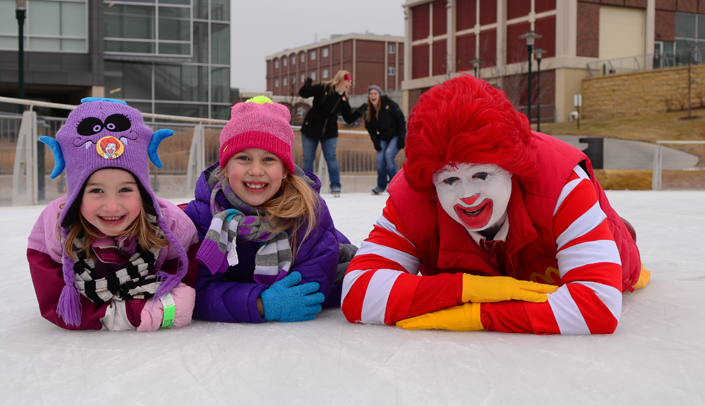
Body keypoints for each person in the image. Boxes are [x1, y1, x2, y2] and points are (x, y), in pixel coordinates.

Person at [341, 75, 651, 335]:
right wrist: (464, 289)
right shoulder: (413, 197)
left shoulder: (562, 184)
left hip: (580, 233)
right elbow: (358, 293)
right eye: (449, 181)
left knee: (622, 250)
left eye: (481, 174)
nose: (468, 196)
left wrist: (480, 316)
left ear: (511, 167)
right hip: (509, 260)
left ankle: (616, 227)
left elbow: (597, 305)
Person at [27, 98, 200, 331]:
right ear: (75, 193)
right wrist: (127, 313)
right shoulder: (53, 229)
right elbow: (56, 304)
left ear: (143, 190)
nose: (111, 206)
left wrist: (171, 303)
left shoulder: (174, 227)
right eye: (96, 190)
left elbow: (182, 285)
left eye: (126, 190)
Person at [184, 96, 357, 324]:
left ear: (285, 171)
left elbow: (314, 279)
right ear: (225, 168)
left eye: (268, 159)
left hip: (335, 256)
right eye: (243, 158)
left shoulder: (308, 212)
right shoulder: (202, 216)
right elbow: (198, 288)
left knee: (352, 267)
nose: (256, 170)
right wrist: (259, 303)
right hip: (254, 297)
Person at [298, 69, 364, 197]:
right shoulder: (324, 87)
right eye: (348, 81)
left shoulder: (343, 98)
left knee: (331, 158)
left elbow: (348, 118)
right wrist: (307, 86)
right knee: (308, 159)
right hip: (312, 127)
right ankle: (306, 187)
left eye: (351, 82)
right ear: (340, 80)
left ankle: (335, 186)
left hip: (329, 130)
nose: (350, 84)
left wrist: (359, 112)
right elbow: (305, 94)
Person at [363, 85, 406, 195]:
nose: (373, 96)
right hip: (383, 138)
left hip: (396, 135)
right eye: (371, 94)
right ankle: (381, 186)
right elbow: (371, 130)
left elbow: (401, 120)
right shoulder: (369, 112)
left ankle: (395, 185)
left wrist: (401, 137)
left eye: (375, 93)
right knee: (380, 160)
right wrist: (376, 142)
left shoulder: (390, 105)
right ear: (369, 96)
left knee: (388, 156)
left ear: (379, 94)